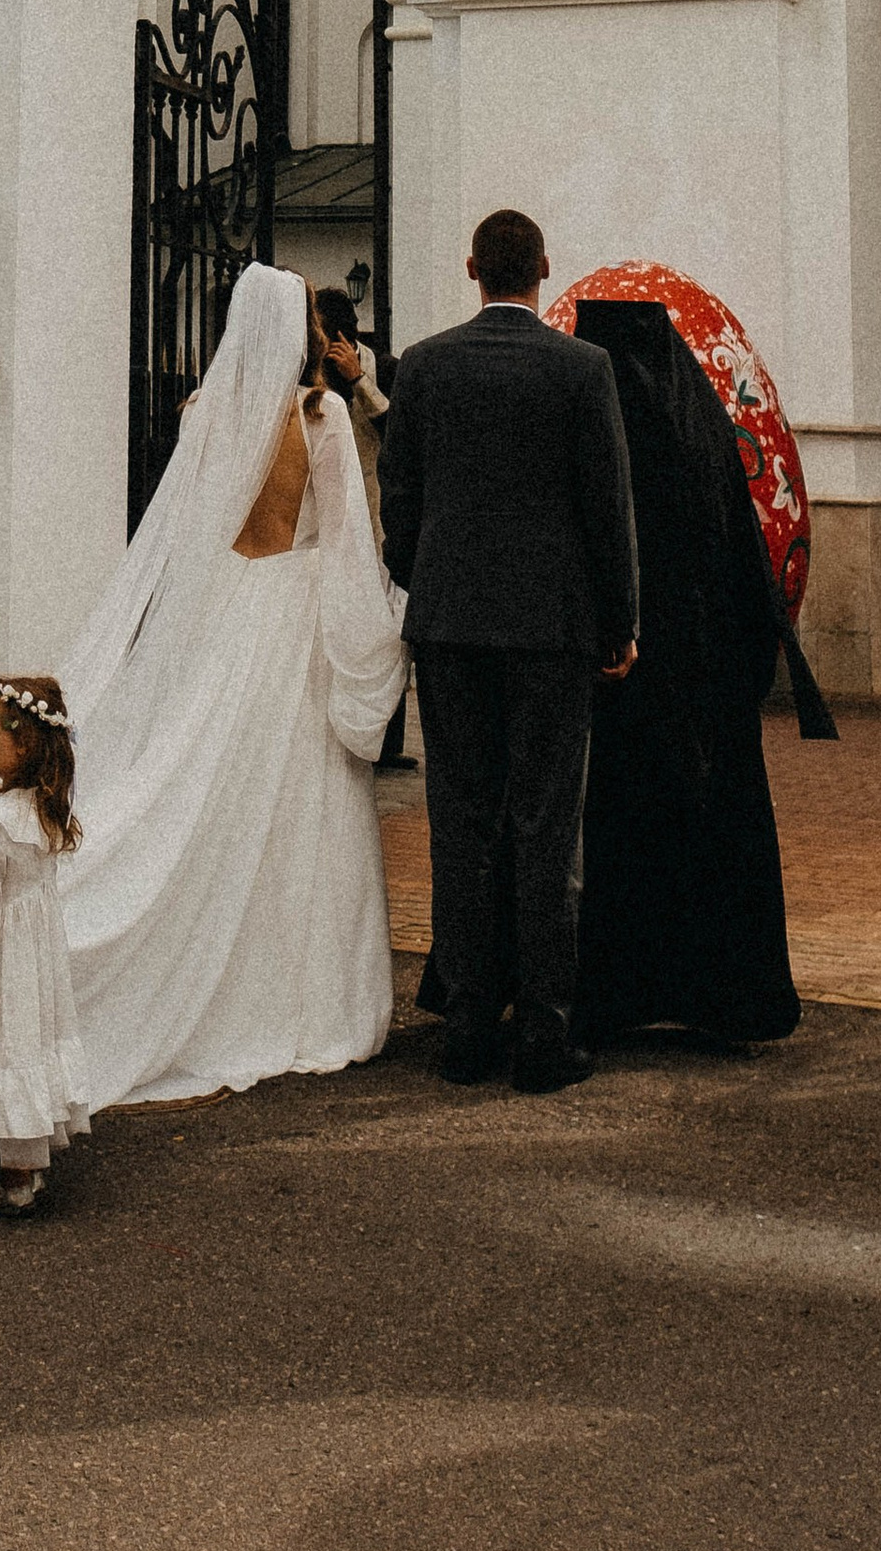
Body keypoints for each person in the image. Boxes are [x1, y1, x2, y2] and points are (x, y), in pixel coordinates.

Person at [59, 264, 408, 1111]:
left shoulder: (202, 416)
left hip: (223, 618)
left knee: (204, 783)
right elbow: (352, 550)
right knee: (301, 803)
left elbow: (182, 539)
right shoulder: (318, 418)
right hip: (294, 621)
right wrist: (383, 627)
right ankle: (299, 994)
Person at [379, 208, 638, 1096]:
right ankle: (543, 1035)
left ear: (470, 269)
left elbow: (400, 499)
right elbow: (609, 508)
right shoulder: (582, 368)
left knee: (460, 827)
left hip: (449, 626)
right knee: (545, 827)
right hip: (550, 630)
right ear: (543, 269)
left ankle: (465, 1031)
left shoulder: (423, 365)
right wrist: (620, 622)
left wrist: (423, 576)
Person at [567, 292, 825, 1048]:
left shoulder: (591, 423)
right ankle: (723, 996)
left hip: (608, 683)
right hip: (697, 693)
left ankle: (602, 993)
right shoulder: (701, 432)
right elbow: (746, 565)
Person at [0, 675, 92, 1219]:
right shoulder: (41, 811)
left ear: (24, 746)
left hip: (5, 952)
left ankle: (15, 1180)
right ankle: (26, 1168)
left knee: (6, 1044)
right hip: (37, 952)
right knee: (29, 1042)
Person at [315, 283, 408, 768]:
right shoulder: (313, 381)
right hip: (334, 520)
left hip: (380, 518)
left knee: (386, 630)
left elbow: (402, 442)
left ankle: (389, 741)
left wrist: (359, 384)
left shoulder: (389, 370)